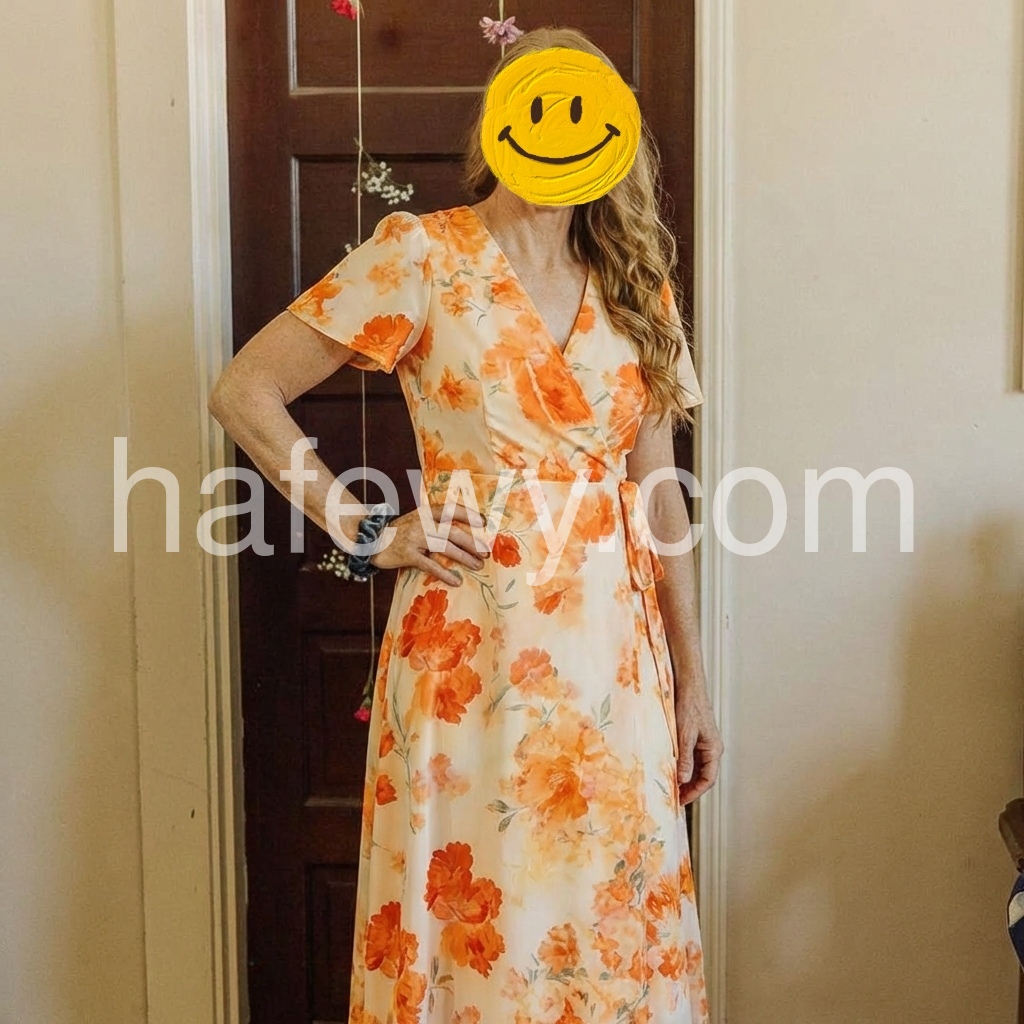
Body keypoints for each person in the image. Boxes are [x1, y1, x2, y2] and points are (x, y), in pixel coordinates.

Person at [209, 25, 722, 1024]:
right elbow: (245, 390)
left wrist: (693, 682)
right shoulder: (421, 255)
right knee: (480, 909)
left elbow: (659, 490)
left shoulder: (636, 283)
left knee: (607, 920)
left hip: (617, 666)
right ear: (500, 120)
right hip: (473, 651)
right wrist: (363, 527)